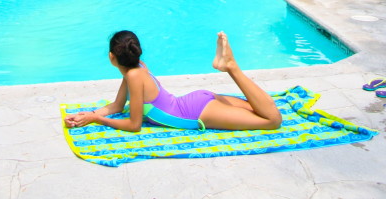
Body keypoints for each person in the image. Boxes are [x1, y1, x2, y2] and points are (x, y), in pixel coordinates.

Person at [65, 31, 282, 132]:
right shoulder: (138, 68)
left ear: (112, 56)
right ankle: (228, 66)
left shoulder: (133, 75)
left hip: (197, 113)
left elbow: (134, 125)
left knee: (272, 121)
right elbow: (116, 106)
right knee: (261, 109)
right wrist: (90, 115)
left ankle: (231, 67)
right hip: (197, 101)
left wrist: (99, 121)